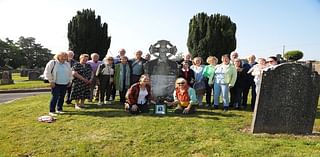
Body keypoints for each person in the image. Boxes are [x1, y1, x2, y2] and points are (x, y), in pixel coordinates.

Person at [43, 51, 73, 116]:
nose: (63, 57)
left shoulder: (67, 64)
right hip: (55, 83)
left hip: (64, 83)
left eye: (65, 56)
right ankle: (52, 111)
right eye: (61, 56)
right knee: (55, 97)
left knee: (62, 97)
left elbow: (70, 74)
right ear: (58, 56)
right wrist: (51, 81)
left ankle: (59, 109)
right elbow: (47, 72)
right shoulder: (52, 62)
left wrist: (70, 81)